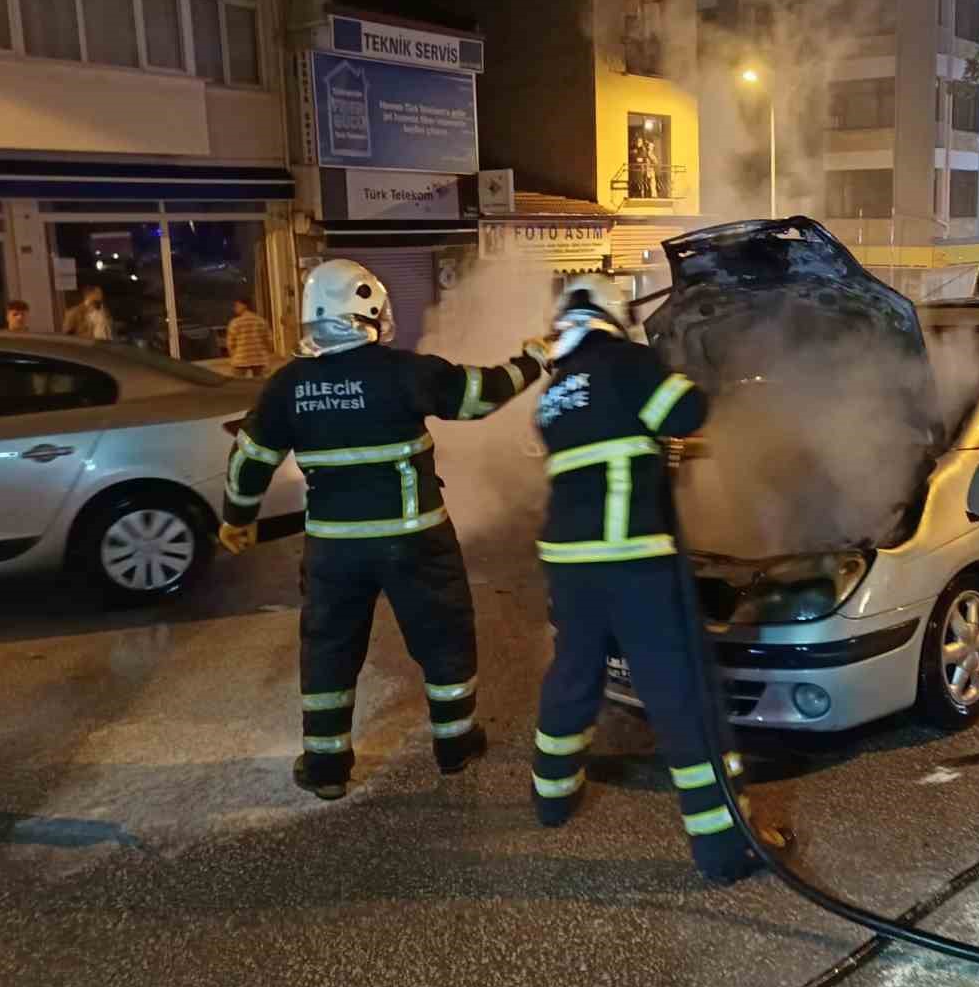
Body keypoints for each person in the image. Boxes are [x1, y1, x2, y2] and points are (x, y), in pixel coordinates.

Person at [217, 259, 551, 801]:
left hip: (334, 548)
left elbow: (249, 458)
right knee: (442, 636)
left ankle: (326, 768)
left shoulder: (288, 385)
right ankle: (454, 745)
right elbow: (479, 394)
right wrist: (533, 360)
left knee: (329, 646)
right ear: (370, 309)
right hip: (415, 540)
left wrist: (237, 519)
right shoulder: (404, 372)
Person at [530, 274, 789, 883]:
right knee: (682, 693)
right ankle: (725, 847)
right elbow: (687, 410)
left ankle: (551, 798)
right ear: (615, 316)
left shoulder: (556, 389)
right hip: (634, 562)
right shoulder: (626, 362)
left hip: (570, 563)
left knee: (573, 673)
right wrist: (684, 366)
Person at [225, 298, 272, 378]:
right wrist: (266, 356)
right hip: (259, 357)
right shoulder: (261, 321)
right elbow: (268, 340)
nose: (235, 308)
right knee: (259, 383)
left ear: (244, 306)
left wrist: (233, 357)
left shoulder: (235, 323)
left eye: (237, 306)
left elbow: (231, 344)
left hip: (241, 358)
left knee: (239, 383)